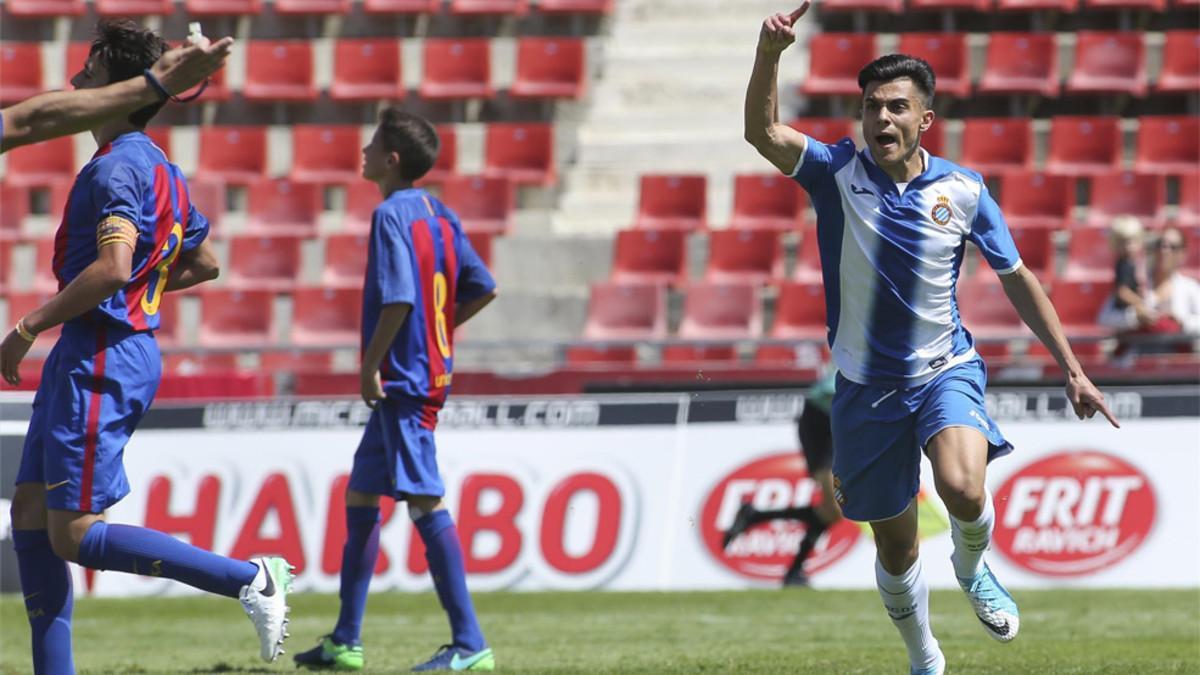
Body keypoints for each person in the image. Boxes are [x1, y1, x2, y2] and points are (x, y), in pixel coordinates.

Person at [744, 5, 1119, 674]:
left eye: (894, 107)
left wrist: (1073, 367)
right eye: (870, 107)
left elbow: (1018, 277)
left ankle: (974, 570)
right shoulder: (835, 172)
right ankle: (924, 654)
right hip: (862, 390)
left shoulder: (964, 190)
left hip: (944, 369)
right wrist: (770, 53)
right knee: (894, 547)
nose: (880, 119)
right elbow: (763, 131)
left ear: (924, 120)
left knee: (963, 487)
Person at [0, 21, 292, 674]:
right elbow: (204, 261)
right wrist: (145, 288)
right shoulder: (158, 165)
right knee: (31, 510)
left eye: (91, 65)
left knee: (73, 533)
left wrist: (26, 326)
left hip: (101, 350)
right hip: (100, 343)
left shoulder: (118, 170)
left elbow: (111, 267)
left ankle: (249, 577)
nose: (78, 75)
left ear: (119, 83)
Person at [293, 107, 499, 673]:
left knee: (426, 501)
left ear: (391, 160)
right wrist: (438, 334)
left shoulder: (390, 215)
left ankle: (469, 642)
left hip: (403, 383)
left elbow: (400, 298)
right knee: (362, 497)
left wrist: (370, 365)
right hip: (422, 372)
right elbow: (483, 288)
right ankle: (345, 641)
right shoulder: (439, 213)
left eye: (372, 144)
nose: (362, 151)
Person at [0, 33, 232, 154]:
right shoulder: (161, 166)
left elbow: (28, 122)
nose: (74, 81)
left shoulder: (113, 172)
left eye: (89, 74)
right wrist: (156, 84)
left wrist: (156, 84)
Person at [722, 365, 842, 587]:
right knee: (833, 508)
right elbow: (829, 391)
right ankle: (793, 570)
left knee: (832, 510)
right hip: (821, 423)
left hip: (832, 425)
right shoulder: (860, 361)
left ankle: (757, 519)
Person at [1100, 225, 1200, 348]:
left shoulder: (1190, 287)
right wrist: (1135, 317)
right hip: (1136, 358)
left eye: (1172, 247)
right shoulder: (1134, 279)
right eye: (1160, 244)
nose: (1164, 250)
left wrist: (1181, 321)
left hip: (1175, 360)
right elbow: (1105, 318)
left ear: (1182, 254)